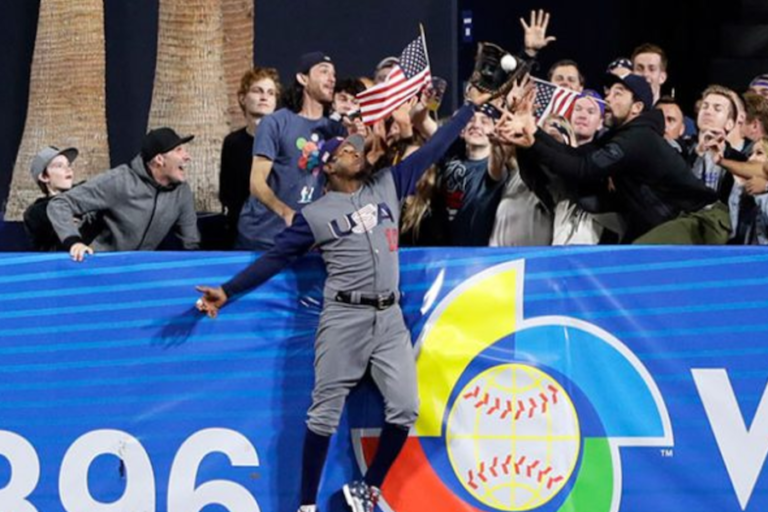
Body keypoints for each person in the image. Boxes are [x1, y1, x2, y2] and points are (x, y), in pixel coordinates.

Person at [194, 89, 489, 512]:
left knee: (406, 408)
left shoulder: (389, 182)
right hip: (344, 317)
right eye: (350, 151)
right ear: (330, 166)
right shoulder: (315, 215)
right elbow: (275, 259)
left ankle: (369, 488)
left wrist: (469, 109)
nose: (358, 152)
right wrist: (228, 289)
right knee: (323, 415)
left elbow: (436, 148)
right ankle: (307, 505)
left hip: (389, 318)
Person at [496, 73, 726, 244]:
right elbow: (575, 156)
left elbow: (582, 168)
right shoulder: (622, 136)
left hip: (703, 220)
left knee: (636, 257)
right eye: (609, 92)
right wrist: (533, 131)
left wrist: (535, 139)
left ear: (636, 107)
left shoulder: (639, 138)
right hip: (668, 223)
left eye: (618, 93)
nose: (608, 98)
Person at [237, 51, 347, 250]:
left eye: (334, 74)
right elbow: (256, 182)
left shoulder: (336, 130)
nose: (332, 79)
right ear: (303, 78)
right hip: (262, 238)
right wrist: (286, 212)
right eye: (324, 72)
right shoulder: (275, 123)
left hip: (308, 240)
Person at [47, 127, 200, 261]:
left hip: (138, 272)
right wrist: (74, 242)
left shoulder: (182, 191)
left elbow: (190, 243)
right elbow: (60, 204)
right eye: (179, 150)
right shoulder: (119, 181)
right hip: (97, 266)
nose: (187, 156)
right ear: (159, 159)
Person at [220, 67, 281, 247]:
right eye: (257, 91)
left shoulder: (286, 141)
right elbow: (228, 194)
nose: (264, 97)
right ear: (242, 98)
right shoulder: (232, 143)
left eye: (271, 93)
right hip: (243, 236)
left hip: (278, 233)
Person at [24, 146, 97, 251]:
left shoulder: (84, 194)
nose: (68, 169)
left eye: (69, 165)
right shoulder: (37, 212)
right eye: (59, 166)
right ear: (44, 177)